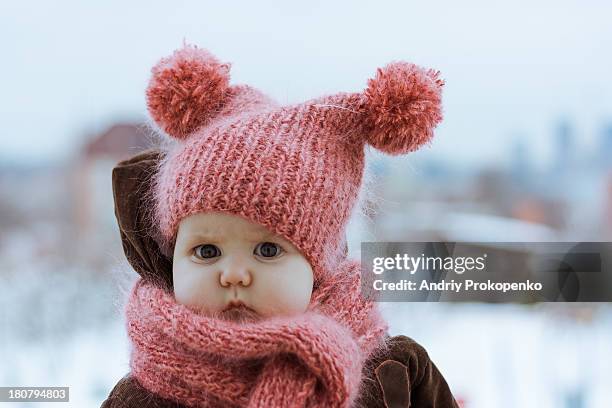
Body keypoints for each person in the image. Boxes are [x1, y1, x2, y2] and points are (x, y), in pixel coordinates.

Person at [101, 44, 459, 408]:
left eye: (268, 250)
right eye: (206, 252)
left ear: (318, 267)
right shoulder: (142, 396)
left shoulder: (393, 375)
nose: (234, 275)